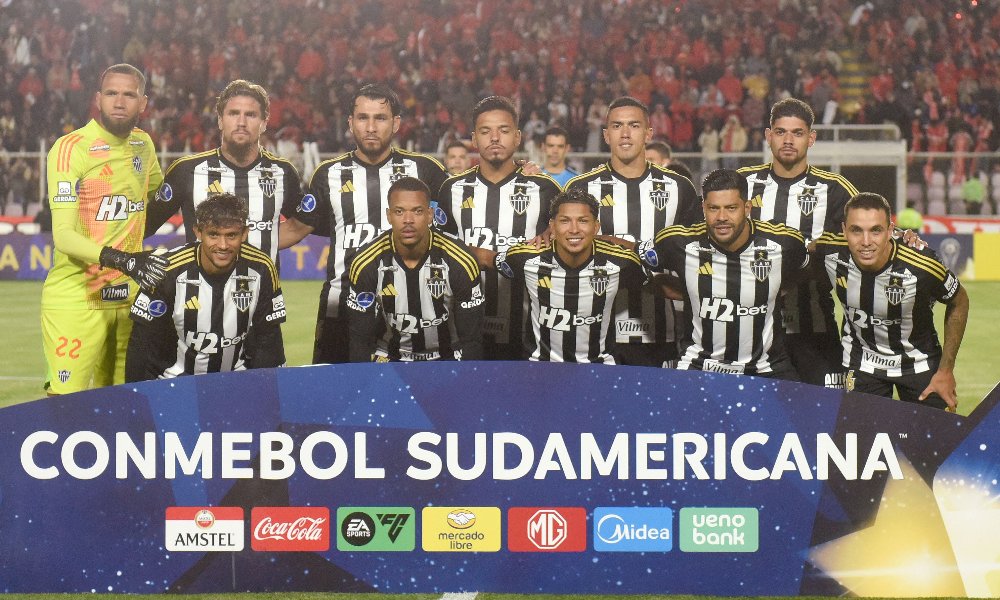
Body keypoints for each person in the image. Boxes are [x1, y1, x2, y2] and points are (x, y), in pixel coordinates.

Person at [292, 83, 450, 363]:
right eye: (363, 118)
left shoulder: (426, 170)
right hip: (341, 304)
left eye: (380, 118)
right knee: (340, 397)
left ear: (396, 123)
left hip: (412, 308)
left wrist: (521, 173)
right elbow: (296, 228)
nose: (371, 127)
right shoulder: (328, 173)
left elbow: (466, 210)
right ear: (351, 123)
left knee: (408, 399)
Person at [42, 63, 167, 395]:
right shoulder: (71, 149)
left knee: (123, 405)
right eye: (111, 93)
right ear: (98, 99)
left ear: (143, 103)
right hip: (77, 298)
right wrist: (126, 258)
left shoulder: (143, 145)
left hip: (128, 299)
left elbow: (159, 198)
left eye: (129, 94)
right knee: (67, 404)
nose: (119, 102)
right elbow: (64, 237)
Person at [566, 96, 702, 368]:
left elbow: (699, 256)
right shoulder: (580, 188)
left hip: (662, 331)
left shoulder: (679, 187)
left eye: (634, 125)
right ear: (606, 135)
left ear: (648, 133)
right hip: (594, 332)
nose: (625, 133)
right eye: (617, 126)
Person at [637, 169, 807, 378]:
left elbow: (807, 268)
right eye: (713, 208)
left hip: (767, 369)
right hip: (699, 366)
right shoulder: (677, 242)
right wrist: (682, 290)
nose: (722, 217)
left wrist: (780, 287)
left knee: (800, 409)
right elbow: (632, 262)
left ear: (747, 207)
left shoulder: (784, 243)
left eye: (731, 208)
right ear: (703, 208)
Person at [738, 98, 860, 389]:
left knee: (824, 422)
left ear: (811, 138)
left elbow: (869, 236)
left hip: (814, 331)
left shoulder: (836, 189)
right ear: (768, 136)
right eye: (780, 132)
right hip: (748, 333)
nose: (788, 140)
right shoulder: (741, 183)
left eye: (798, 133)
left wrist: (904, 237)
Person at [813, 192, 969, 411]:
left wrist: (946, 370)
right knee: (861, 442)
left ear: (890, 231)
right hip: (862, 364)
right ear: (844, 230)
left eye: (876, 230)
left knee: (936, 442)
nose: (866, 242)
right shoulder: (828, 251)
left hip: (919, 365)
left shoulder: (922, 265)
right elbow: (794, 252)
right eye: (856, 230)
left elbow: (959, 300)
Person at [437, 96, 562, 360]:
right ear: (474, 138)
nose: (495, 138)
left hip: (527, 332)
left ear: (517, 137)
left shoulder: (545, 189)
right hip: (463, 333)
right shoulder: (452, 189)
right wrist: (484, 256)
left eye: (503, 131)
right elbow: (438, 253)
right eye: (485, 131)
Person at [145, 80, 311, 267]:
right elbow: (145, 224)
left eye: (250, 115)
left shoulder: (282, 172)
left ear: (264, 123)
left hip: (263, 295)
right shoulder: (186, 170)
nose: (241, 122)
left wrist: (266, 241)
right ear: (220, 120)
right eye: (233, 113)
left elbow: (301, 224)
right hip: (199, 295)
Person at [126, 193, 286, 380]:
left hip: (236, 380)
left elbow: (268, 339)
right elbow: (141, 344)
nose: (223, 245)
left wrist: (269, 392)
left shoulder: (262, 267)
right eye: (213, 234)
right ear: (198, 232)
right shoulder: (167, 270)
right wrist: (140, 397)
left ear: (244, 233)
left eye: (231, 235)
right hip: (175, 383)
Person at [497, 188, 647, 363]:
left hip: (600, 368)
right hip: (539, 367)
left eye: (583, 221)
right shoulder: (523, 257)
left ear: (596, 226)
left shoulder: (623, 262)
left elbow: (655, 285)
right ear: (552, 226)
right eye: (565, 221)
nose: (574, 229)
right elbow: (487, 261)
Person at [347, 177, 483, 362]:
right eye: (399, 211)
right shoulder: (366, 262)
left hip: (448, 358)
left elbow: (471, 340)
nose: (408, 220)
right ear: (388, 215)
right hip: (389, 358)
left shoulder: (460, 260)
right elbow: (359, 340)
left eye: (417, 211)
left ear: (430, 214)